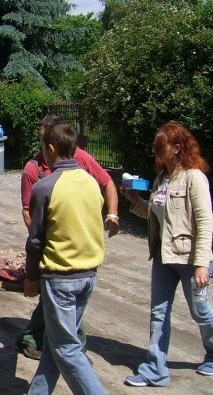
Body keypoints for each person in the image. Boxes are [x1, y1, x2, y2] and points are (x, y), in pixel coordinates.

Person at [18, 115, 120, 360]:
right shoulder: (33, 170)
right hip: (60, 252)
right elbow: (28, 213)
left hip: (75, 257)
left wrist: (113, 214)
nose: (41, 144)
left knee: (60, 311)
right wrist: (44, 238)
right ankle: (55, 342)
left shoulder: (81, 160)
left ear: (54, 144)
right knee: (63, 332)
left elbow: (107, 183)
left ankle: (38, 339)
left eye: (44, 140)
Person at [122, 121, 213, 387]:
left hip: (190, 259)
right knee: (159, 312)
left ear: (176, 148)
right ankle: (155, 371)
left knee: (201, 312)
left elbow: (205, 222)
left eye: (159, 147)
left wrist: (201, 265)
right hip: (163, 257)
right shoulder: (161, 180)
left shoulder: (194, 177)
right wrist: (136, 203)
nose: (154, 151)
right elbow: (158, 215)